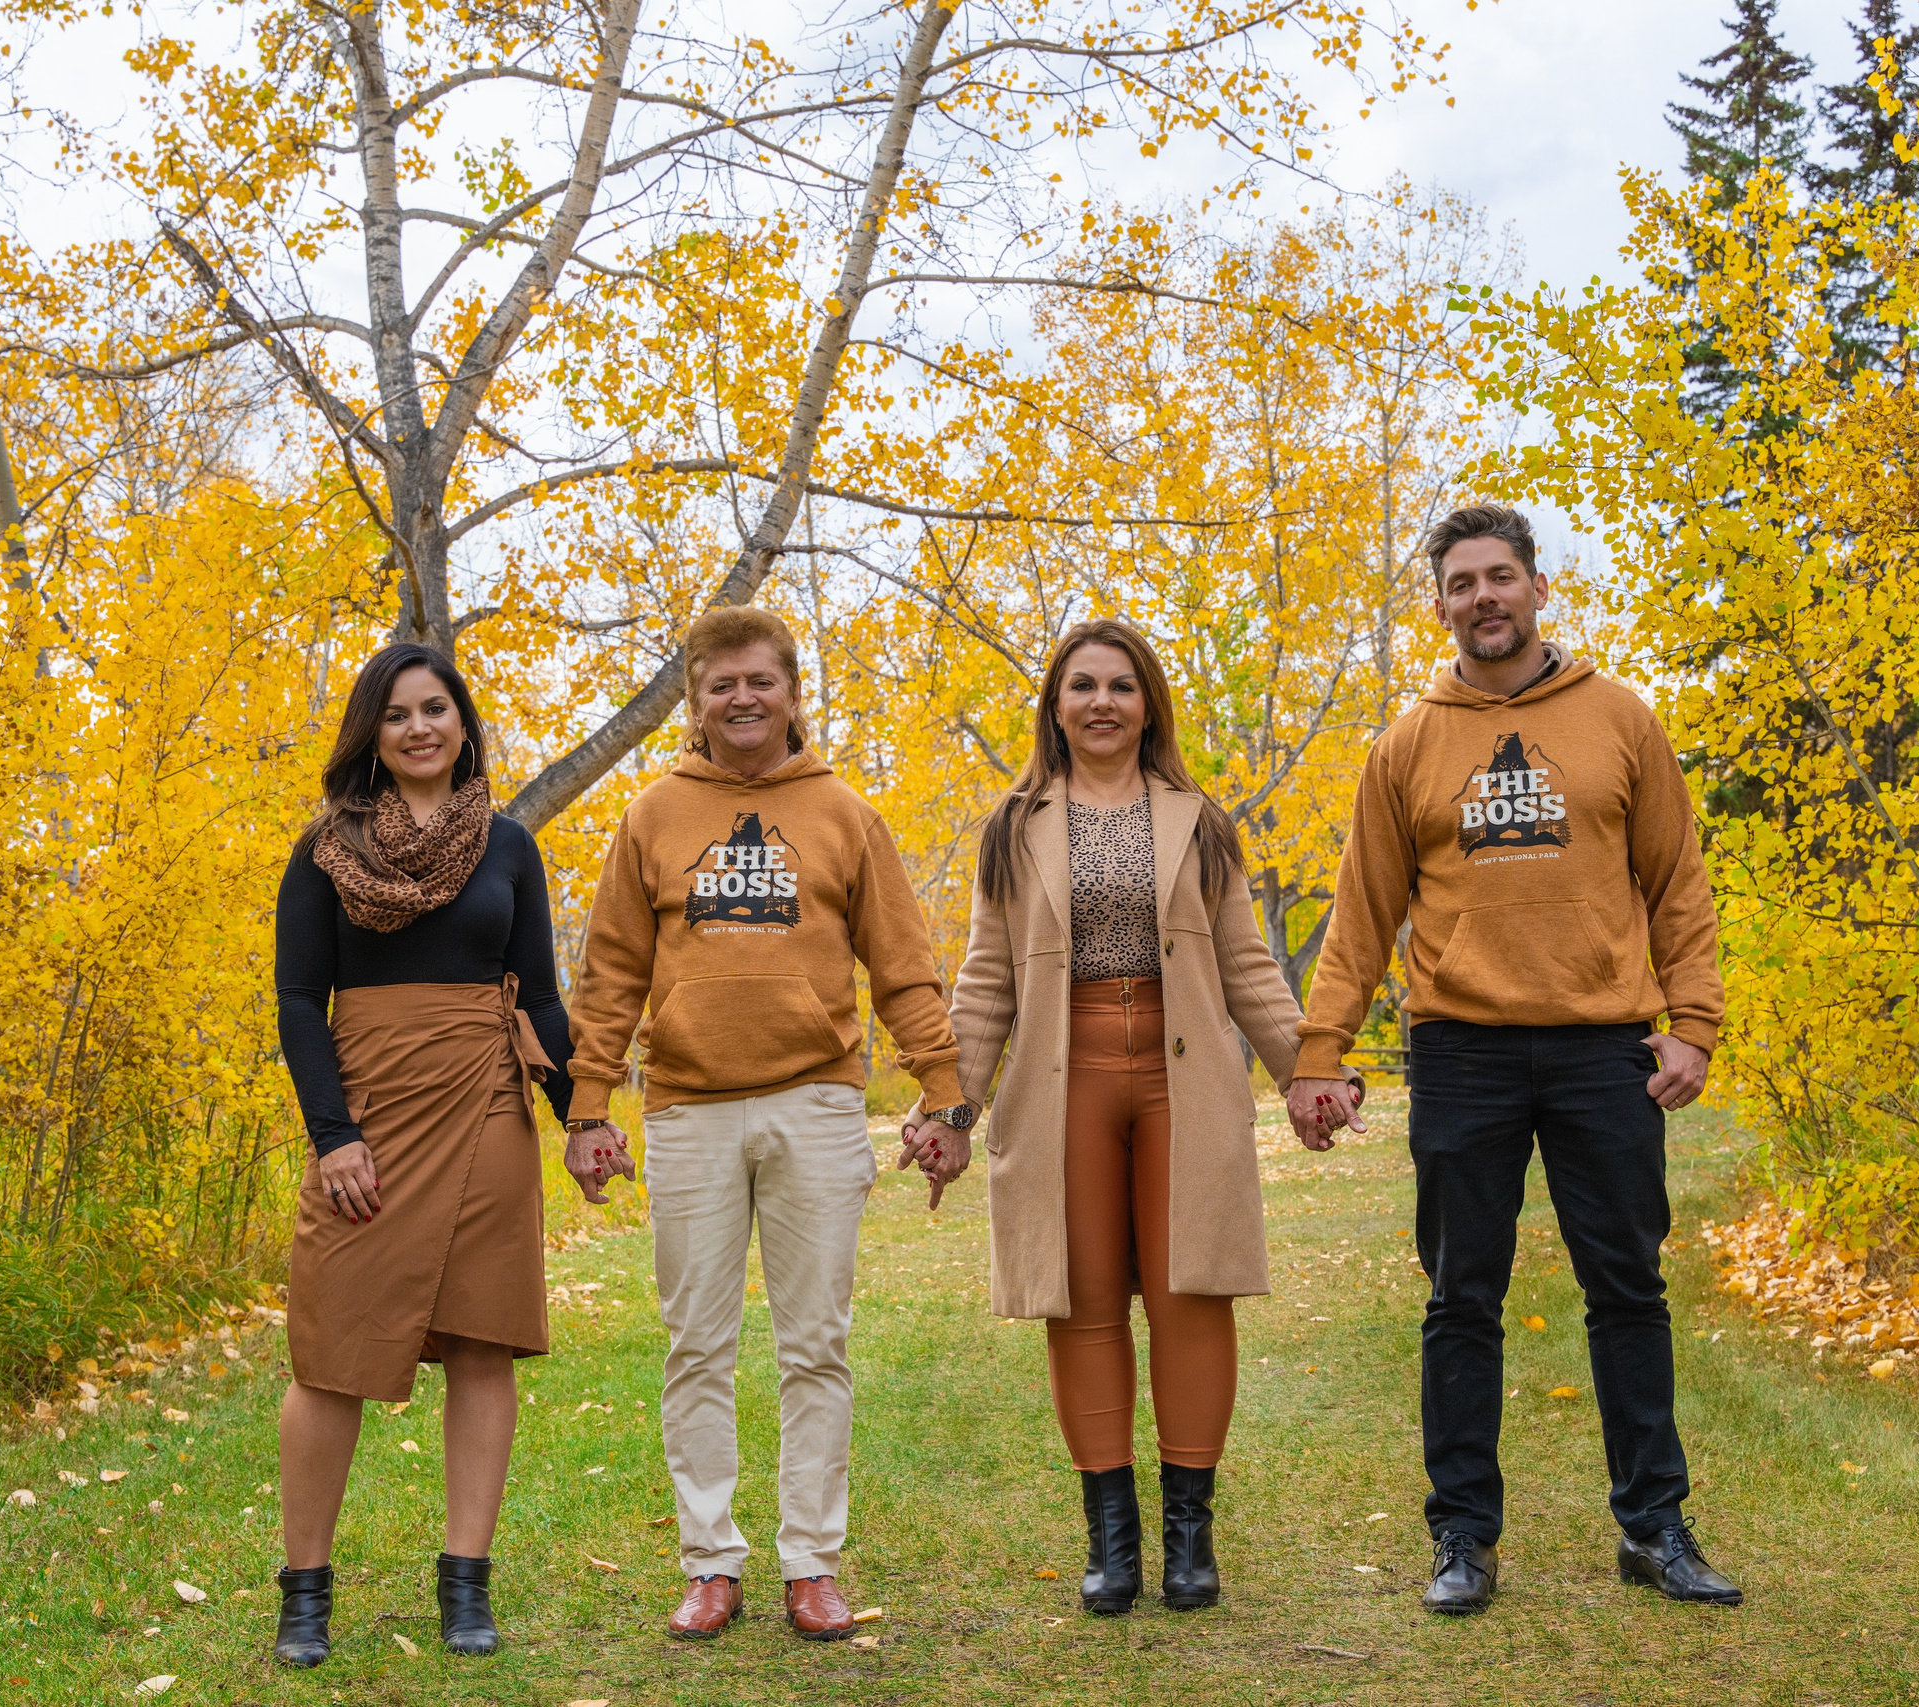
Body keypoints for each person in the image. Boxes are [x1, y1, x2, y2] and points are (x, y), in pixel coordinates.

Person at [1285, 503, 1740, 1614]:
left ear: (1538, 588)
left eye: (1501, 577)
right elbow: (1361, 910)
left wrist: (1693, 1023)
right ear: (1438, 605)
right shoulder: (1405, 745)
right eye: (1460, 583)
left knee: (1627, 1289)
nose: (1482, 597)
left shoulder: (1620, 720)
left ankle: (1654, 1526)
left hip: (1602, 1048)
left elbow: (1677, 882)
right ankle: (1462, 1540)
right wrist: (1318, 1048)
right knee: (1459, 1298)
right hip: (1461, 1054)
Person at [907, 619, 1362, 1616]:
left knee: (1191, 1290)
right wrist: (949, 1104)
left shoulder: (1198, 819)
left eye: (1121, 685)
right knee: (1079, 1298)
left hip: (1180, 1077)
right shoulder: (1012, 824)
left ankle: (1189, 1539)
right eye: (1082, 686)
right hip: (1061, 1080)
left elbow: (1247, 962)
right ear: (1055, 706)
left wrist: (1308, 1069)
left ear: (1147, 702)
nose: (1102, 702)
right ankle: (1112, 1543)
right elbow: (986, 981)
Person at [562, 606, 971, 1644]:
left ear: (792, 691)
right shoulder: (653, 816)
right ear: (693, 704)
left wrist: (945, 1089)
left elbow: (904, 969)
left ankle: (809, 1563)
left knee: (814, 1345)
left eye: (760, 681)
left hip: (817, 1103)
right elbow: (610, 973)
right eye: (719, 684)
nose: (741, 698)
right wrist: (586, 1104)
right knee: (695, 1343)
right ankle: (709, 1562)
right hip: (690, 1110)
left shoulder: (843, 815)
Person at [271, 643, 577, 1665]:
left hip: (486, 1111)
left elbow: (537, 998)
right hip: (369, 1119)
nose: (418, 728)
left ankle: (465, 1587)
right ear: (372, 732)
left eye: (434, 709)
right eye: (396, 714)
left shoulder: (509, 849)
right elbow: (297, 1005)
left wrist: (584, 1115)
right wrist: (334, 1136)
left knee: (484, 1347)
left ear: (461, 723)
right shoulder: (323, 851)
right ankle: (304, 1595)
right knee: (329, 1358)